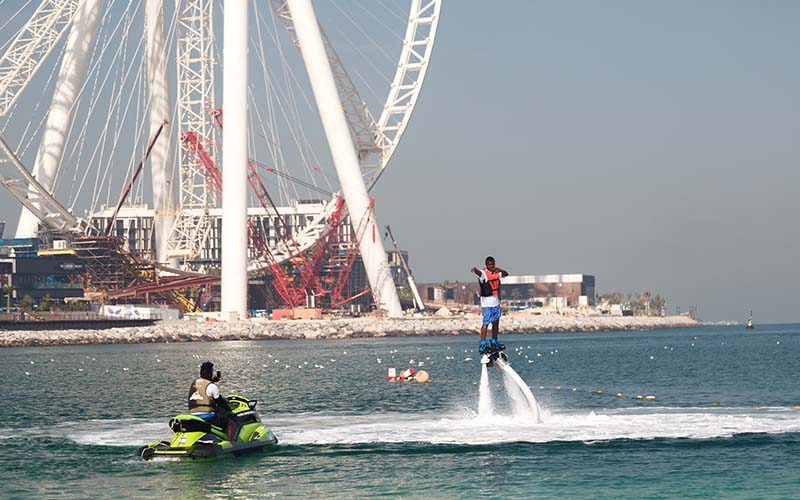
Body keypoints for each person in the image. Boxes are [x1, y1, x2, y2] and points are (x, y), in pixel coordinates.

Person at [470, 256, 509, 354]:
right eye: (490, 265)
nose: (491, 267)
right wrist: (475, 270)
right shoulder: (484, 274)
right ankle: (483, 344)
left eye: (493, 265)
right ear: (486, 265)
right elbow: (479, 273)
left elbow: (506, 274)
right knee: (486, 323)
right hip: (487, 303)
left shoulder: (496, 273)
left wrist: (498, 269)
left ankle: (494, 341)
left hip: (496, 301)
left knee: (496, 322)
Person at [188, 361, 235, 441]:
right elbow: (220, 401)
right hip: (208, 418)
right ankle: (230, 443)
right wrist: (228, 406)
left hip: (194, 416)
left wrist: (212, 381)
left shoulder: (194, 384)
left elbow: (204, 388)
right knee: (230, 422)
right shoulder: (212, 386)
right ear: (210, 374)